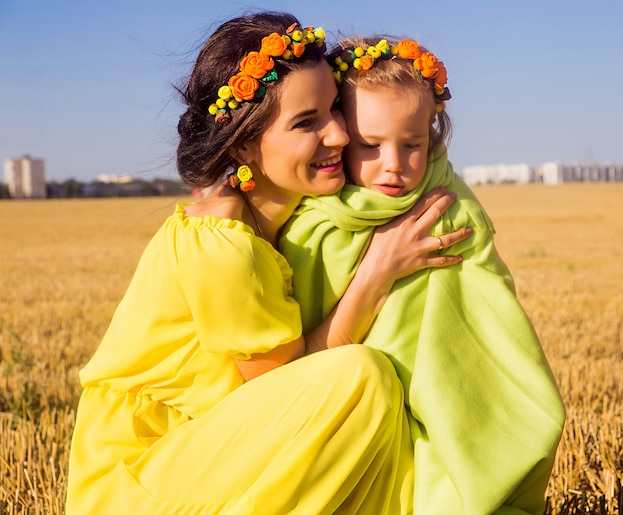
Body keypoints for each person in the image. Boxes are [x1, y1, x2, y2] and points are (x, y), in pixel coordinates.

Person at [65, 14, 473, 513]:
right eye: (307, 122)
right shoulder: (220, 242)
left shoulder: (291, 220)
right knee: (361, 377)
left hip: (207, 454)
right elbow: (293, 388)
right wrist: (376, 272)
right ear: (242, 143)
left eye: (333, 110)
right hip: (139, 479)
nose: (340, 136)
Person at [280, 36, 566, 514]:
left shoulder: (447, 205)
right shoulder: (313, 219)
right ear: (342, 134)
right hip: (358, 401)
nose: (394, 164)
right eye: (370, 145)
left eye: (412, 144)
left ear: (432, 136)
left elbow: (483, 307)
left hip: (444, 391)